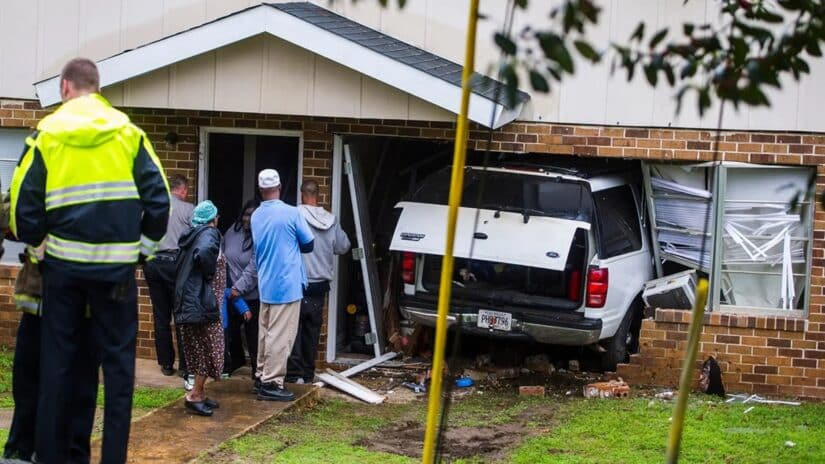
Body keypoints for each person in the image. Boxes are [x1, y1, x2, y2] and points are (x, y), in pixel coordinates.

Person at [9, 58, 170, 463]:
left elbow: (21, 209)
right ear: (97, 88)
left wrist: (42, 251)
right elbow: (160, 201)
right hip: (116, 273)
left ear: (65, 87)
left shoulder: (46, 135)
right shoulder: (128, 134)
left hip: (62, 271)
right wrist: (141, 250)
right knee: (118, 375)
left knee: (56, 370)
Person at [3, 249, 97, 462]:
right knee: (28, 379)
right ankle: (21, 451)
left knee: (78, 386)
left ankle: (70, 454)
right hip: (40, 298)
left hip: (85, 301)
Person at [251, 169, 314, 401]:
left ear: (260, 190)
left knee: (265, 333)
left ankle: (260, 376)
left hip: (266, 282)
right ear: (279, 187)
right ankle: (272, 382)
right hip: (287, 283)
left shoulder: (257, 215)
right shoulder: (291, 213)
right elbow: (309, 244)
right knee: (281, 336)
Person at [287, 180, 350, 384]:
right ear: (318, 195)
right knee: (312, 330)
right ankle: (307, 374)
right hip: (320, 284)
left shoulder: (295, 215)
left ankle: (293, 374)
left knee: (293, 329)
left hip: (298, 281)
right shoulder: (331, 220)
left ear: (302, 194)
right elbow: (343, 246)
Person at [173, 200, 225, 417]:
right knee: (208, 349)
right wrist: (209, 273)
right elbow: (204, 254)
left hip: (192, 302)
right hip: (202, 304)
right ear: (212, 218)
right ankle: (194, 396)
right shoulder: (209, 234)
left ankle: (200, 393)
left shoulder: (192, 234)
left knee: (198, 350)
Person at [144, 174, 194, 379]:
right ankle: (185, 366)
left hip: (153, 262)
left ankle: (165, 363)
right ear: (182, 189)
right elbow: (197, 235)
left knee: (160, 316)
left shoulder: (152, 207)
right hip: (176, 263)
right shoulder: (188, 209)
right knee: (181, 314)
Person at [223, 199, 260, 378]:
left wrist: (239, 287)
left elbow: (255, 267)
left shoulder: (261, 236)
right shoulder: (232, 230)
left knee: (253, 336)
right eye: (246, 214)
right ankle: (235, 361)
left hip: (252, 295)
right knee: (231, 332)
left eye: (253, 215)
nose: (248, 219)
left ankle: (257, 371)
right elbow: (223, 256)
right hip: (231, 293)